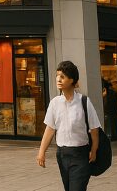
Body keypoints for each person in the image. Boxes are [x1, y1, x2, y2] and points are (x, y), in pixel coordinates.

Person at [36, 60, 100, 191]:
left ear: (71, 80)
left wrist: (94, 150)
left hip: (81, 155)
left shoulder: (84, 102)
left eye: (62, 76)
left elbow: (94, 129)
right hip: (62, 155)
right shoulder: (55, 103)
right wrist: (41, 152)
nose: (58, 79)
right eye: (57, 75)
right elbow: (50, 129)